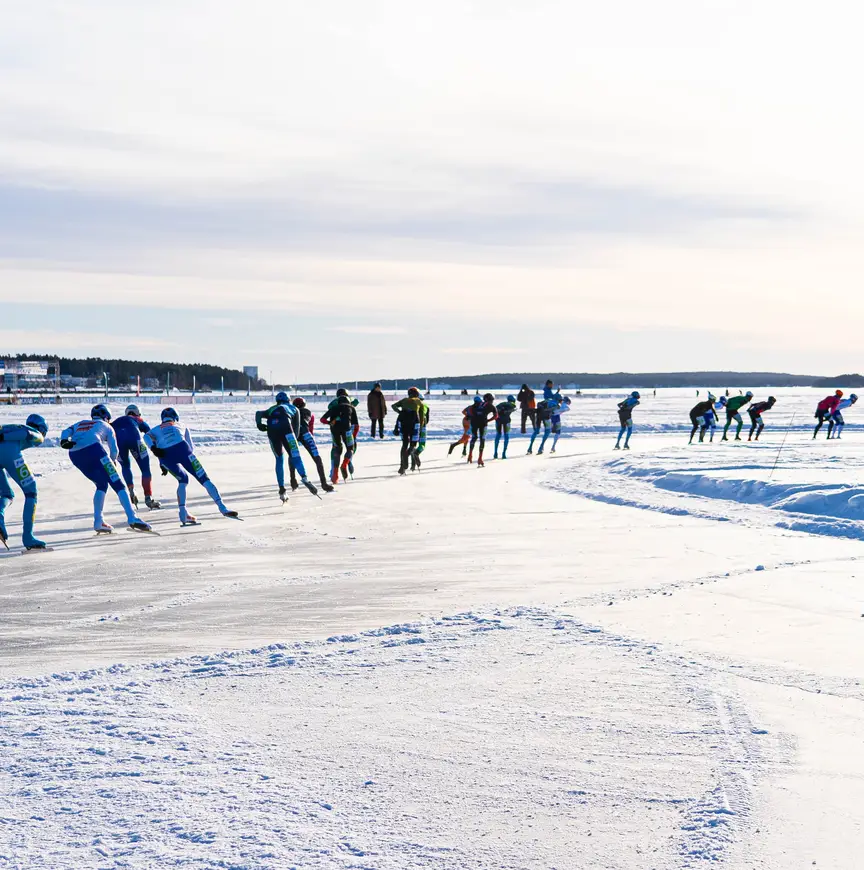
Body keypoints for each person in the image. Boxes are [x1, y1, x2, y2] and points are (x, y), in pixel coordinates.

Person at [61, 404, 151, 534]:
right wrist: (112, 462)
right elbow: (114, 450)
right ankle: (132, 517)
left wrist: (64, 440)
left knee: (101, 484)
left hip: (74, 453)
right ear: (107, 417)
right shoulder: (107, 426)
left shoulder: (80, 423)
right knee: (118, 484)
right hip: (94, 449)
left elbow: (66, 431)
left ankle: (99, 521)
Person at [144, 407, 238, 524]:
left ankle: (183, 513)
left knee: (183, 480)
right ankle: (222, 508)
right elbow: (191, 447)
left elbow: (146, 437)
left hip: (165, 456)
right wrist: (189, 460)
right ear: (176, 418)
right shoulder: (181, 425)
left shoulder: (156, 429)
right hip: (183, 449)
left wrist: (154, 450)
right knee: (204, 479)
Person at [255, 392, 319, 502]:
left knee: (279, 459)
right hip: (286, 427)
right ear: (289, 400)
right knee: (295, 455)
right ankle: (304, 478)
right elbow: (296, 430)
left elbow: (258, 413)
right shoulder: (294, 408)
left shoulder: (272, 409)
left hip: (272, 430)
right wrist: (293, 444)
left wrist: (259, 425)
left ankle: (282, 489)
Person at [0, 413, 49, 550]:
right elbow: (27, 434)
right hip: (10, 452)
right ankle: (28, 537)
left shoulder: (10, 426)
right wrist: (4, 438)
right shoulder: (34, 431)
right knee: (31, 492)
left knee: (7, 494)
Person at [111, 404, 161, 510]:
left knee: (125, 466)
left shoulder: (116, 421)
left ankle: (131, 490)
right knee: (145, 470)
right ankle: (148, 497)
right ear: (138, 413)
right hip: (135, 439)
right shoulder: (138, 419)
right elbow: (149, 433)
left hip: (119, 442)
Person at [290, 397, 334, 492]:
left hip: (294, 434)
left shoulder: (291, 412)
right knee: (317, 458)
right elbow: (310, 429)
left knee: (292, 456)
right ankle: (324, 483)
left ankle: (293, 481)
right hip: (306, 434)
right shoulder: (309, 413)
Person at [320, 394, 357, 483]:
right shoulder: (351, 408)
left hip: (335, 430)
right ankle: (344, 464)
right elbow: (356, 424)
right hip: (347, 430)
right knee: (350, 449)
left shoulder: (334, 408)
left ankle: (335, 476)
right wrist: (354, 435)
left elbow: (322, 420)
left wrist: (330, 422)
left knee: (337, 449)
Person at [392, 387, 425, 474]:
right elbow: (421, 417)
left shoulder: (404, 400)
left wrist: (400, 412)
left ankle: (402, 466)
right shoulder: (419, 401)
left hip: (404, 424)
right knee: (413, 445)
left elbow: (393, 406)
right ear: (417, 394)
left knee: (404, 445)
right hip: (414, 424)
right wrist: (421, 428)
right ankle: (406, 457)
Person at [466, 394, 498, 466]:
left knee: (474, 438)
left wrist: (471, 417)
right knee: (482, 439)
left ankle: (470, 455)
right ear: (490, 400)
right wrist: (488, 420)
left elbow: (468, 410)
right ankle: (480, 459)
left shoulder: (477, 404)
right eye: (492, 400)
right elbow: (496, 416)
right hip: (483, 424)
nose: (492, 401)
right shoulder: (491, 406)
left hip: (474, 423)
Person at [494, 395, 518, 459]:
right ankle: (504, 453)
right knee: (506, 436)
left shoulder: (501, 403)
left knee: (498, 435)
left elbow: (495, 409)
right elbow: (514, 408)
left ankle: (495, 453)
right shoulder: (512, 404)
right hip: (506, 421)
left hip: (498, 420)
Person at [413, 396, 431, 470]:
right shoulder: (426, 406)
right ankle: (417, 453)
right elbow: (427, 419)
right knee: (422, 445)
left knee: (412, 445)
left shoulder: (411, 405)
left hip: (413, 427)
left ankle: (412, 465)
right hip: (423, 427)